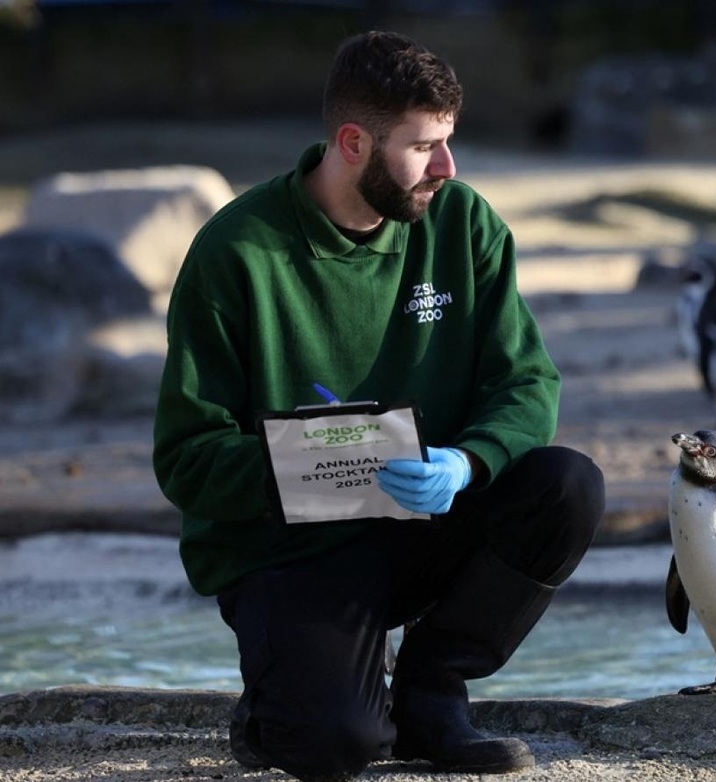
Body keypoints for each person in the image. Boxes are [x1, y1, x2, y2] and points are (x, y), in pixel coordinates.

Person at [152, 30, 605, 782]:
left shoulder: (465, 224)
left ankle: (432, 690)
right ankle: (278, 707)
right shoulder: (234, 253)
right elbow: (186, 461)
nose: (447, 167)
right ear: (354, 142)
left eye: (447, 142)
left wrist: (466, 462)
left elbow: (528, 385)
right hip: (292, 550)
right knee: (337, 746)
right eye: (424, 146)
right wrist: (325, 461)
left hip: (425, 520)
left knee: (568, 485)